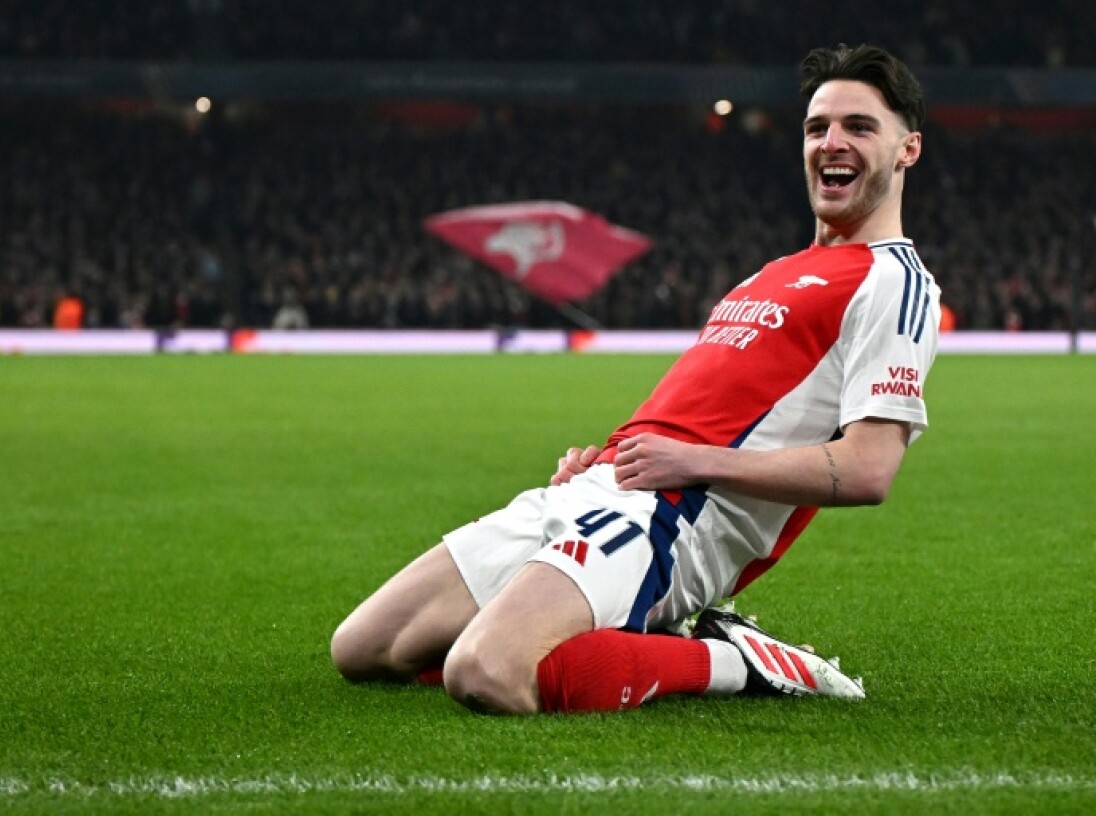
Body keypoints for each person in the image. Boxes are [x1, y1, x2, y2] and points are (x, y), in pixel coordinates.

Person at [331, 43, 941, 714]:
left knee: (486, 671)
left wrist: (690, 461)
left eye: (859, 127)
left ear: (907, 149)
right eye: (817, 126)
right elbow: (701, 405)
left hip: (679, 520)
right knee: (364, 648)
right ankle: (610, 619)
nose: (832, 142)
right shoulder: (770, 273)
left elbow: (867, 470)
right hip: (605, 488)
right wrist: (609, 453)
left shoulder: (895, 281)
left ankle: (735, 660)